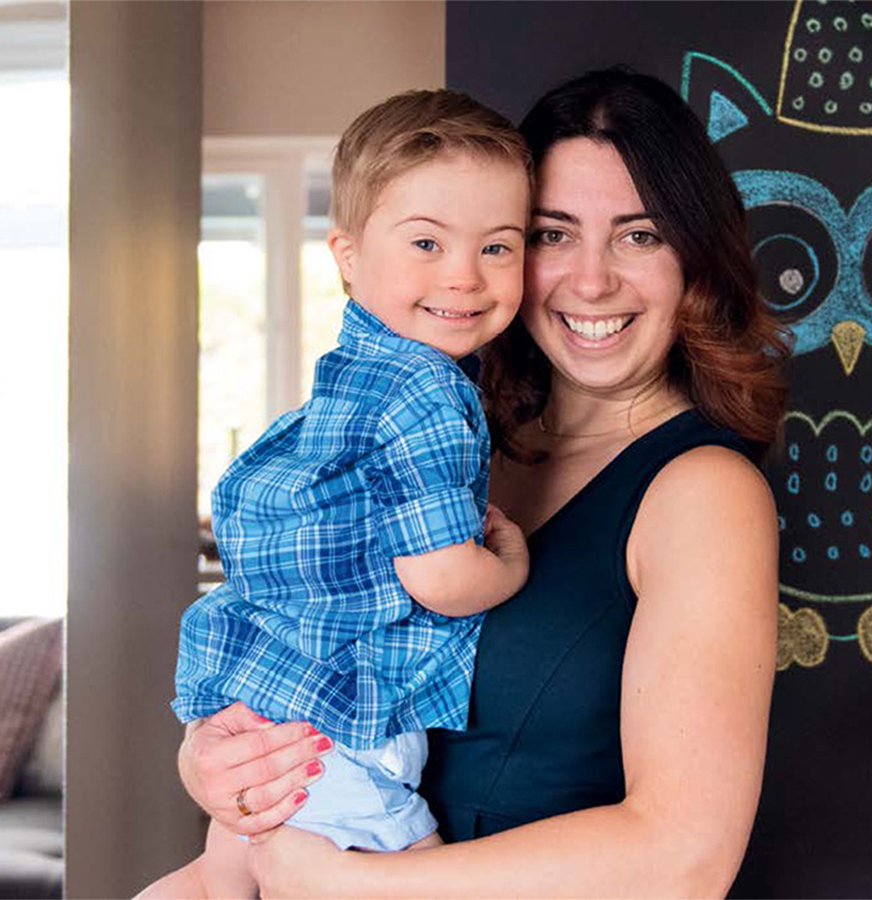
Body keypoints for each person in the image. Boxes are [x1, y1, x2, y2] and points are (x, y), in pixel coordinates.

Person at [175, 68, 791, 899]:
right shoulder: (444, 437)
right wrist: (222, 760)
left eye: (640, 235)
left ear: (696, 258)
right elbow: (303, 639)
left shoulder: (703, 492)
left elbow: (684, 860)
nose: (592, 280)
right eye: (551, 234)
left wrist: (357, 888)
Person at [138, 89, 533, 899]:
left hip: (264, 695)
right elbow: (442, 580)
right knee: (417, 870)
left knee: (217, 877)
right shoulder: (430, 393)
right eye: (426, 241)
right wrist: (509, 563)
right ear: (346, 255)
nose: (463, 275)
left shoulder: (345, 378)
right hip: (342, 730)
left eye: (499, 247)